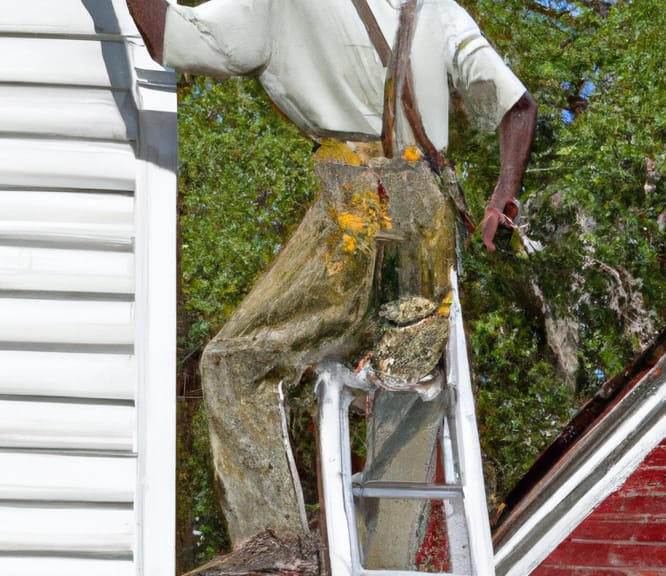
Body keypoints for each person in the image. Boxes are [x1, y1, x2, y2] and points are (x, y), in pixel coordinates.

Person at [127, 0, 537, 546]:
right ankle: (390, 559)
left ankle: (275, 547)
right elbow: (519, 105)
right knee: (403, 398)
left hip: (359, 208)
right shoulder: (437, 9)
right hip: (431, 228)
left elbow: (173, 39)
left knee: (235, 366)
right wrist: (501, 197)